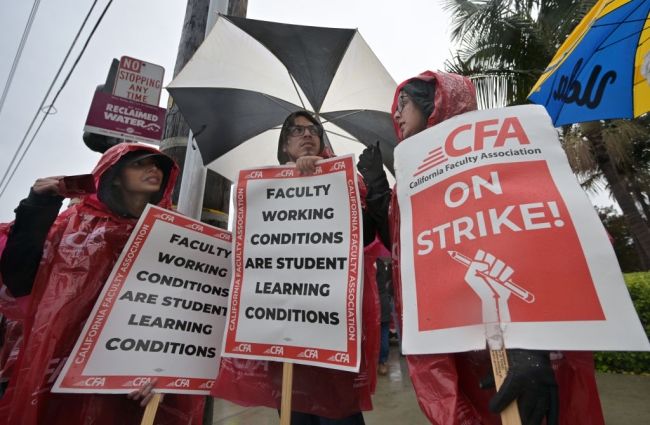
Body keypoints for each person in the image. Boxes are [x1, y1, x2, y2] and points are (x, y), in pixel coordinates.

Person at [356, 71, 605, 425]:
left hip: (515, 346)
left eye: (404, 103)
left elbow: (537, 244)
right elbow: (406, 250)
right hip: (453, 344)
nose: (395, 115)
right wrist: (381, 193)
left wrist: (533, 346)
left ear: (435, 104)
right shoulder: (412, 177)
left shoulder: (491, 158)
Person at [0, 143, 204, 425]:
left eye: (158, 166)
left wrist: (166, 369)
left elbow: (193, 312)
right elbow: (20, 278)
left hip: (138, 382)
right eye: (139, 163)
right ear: (115, 175)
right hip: (59, 373)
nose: (153, 169)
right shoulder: (72, 225)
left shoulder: (177, 234)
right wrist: (37, 205)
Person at [212, 110, 382, 424]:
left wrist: (328, 177)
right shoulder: (263, 190)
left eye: (313, 129)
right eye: (296, 130)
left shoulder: (346, 180)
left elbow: (367, 234)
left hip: (332, 329)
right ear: (285, 147)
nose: (306, 134)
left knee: (340, 415)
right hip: (285, 330)